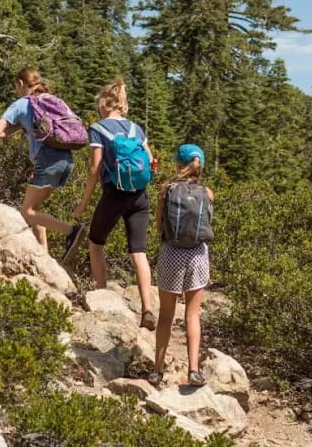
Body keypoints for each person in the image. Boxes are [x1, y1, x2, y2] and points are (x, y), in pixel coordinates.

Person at [72, 76, 156, 331]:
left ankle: (102, 298)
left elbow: (95, 168)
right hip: (139, 194)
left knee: (96, 242)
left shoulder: (98, 129)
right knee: (138, 252)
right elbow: (152, 162)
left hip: (114, 194)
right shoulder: (136, 129)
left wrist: (83, 203)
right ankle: (148, 308)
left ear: (104, 104)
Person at [0, 67, 84, 256]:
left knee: (28, 211)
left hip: (47, 160)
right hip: (66, 158)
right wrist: (23, 126)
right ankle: (43, 255)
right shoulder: (52, 99)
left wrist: (13, 127)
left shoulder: (21, 104)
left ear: (21, 83)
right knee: (36, 210)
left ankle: (71, 231)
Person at [148, 144, 214, 388]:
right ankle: (194, 370)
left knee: (166, 315)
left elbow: (158, 228)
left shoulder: (166, 191)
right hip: (197, 255)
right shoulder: (207, 193)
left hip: (171, 254)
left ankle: (157, 370)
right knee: (192, 314)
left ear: (177, 163)